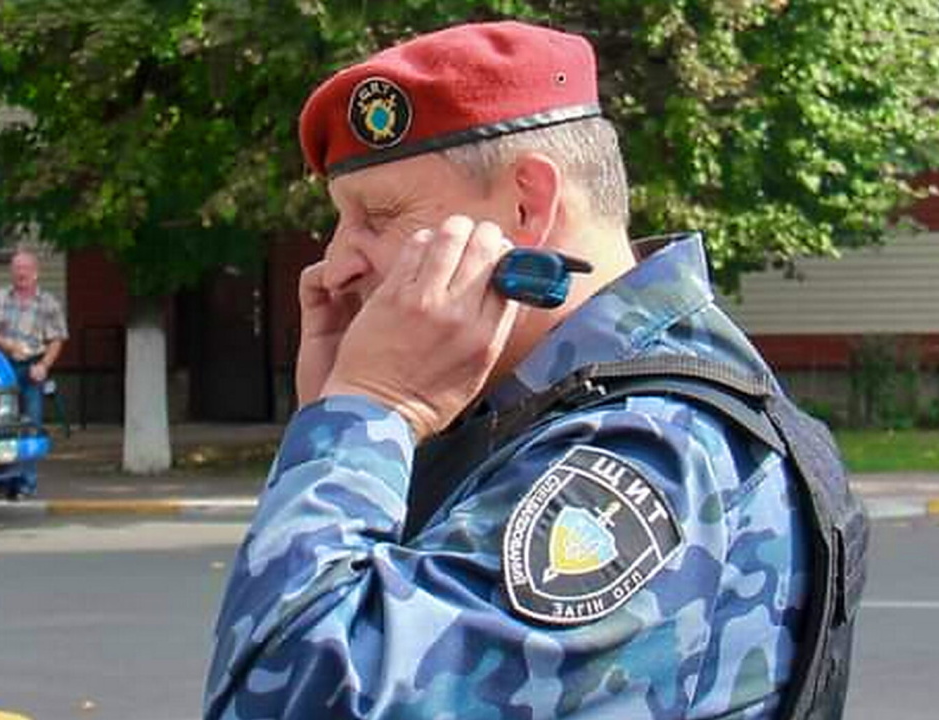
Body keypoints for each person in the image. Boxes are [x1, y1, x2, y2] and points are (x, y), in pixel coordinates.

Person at [205, 21, 867, 720]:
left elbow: (293, 697)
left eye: (380, 215)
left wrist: (365, 413)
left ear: (528, 206)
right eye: (339, 222)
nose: (337, 264)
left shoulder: (646, 450)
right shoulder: (544, 411)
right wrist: (375, 437)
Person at [0, 247, 68, 498]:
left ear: (36, 272)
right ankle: (4, 480)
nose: (21, 273)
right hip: (3, 367)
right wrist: (7, 345)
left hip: (32, 367)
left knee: (31, 424)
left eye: (26, 268)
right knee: (2, 426)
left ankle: (26, 482)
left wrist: (44, 365)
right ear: (11, 271)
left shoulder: (48, 302)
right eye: (17, 268)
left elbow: (57, 338)